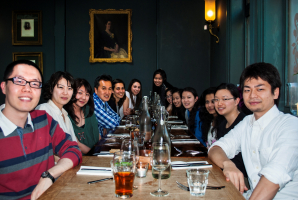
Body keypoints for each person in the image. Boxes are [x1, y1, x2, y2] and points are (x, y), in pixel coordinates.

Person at [208, 62, 298, 199]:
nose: (252, 95)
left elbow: (274, 176)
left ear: (276, 92)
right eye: (247, 90)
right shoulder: (246, 122)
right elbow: (216, 148)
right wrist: (228, 164)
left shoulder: (291, 125)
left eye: (260, 89)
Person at [0, 60, 81, 199]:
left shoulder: (43, 119)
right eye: (19, 81)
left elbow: (73, 149)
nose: (27, 88)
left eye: (35, 84)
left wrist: (49, 175)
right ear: (4, 87)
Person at [214, 83, 248, 179]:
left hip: (241, 178)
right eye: (216, 99)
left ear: (237, 101)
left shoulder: (244, 122)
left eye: (225, 99)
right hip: (225, 173)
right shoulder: (222, 124)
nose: (219, 103)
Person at [36, 71, 77, 142]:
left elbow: (73, 144)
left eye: (69, 88)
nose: (65, 92)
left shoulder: (66, 116)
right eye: (61, 87)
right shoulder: (43, 110)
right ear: (51, 89)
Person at [65, 78, 100, 155]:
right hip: (78, 160)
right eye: (80, 93)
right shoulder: (65, 114)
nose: (84, 97)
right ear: (72, 92)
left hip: (95, 155)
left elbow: (97, 135)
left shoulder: (88, 110)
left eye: (87, 94)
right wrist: (95, 156)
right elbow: (78, 145)